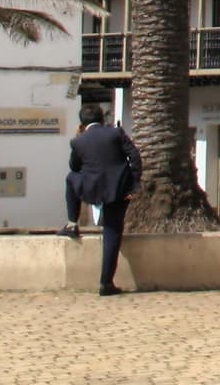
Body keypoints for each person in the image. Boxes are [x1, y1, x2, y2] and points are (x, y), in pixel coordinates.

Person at [62, 103, 142, 296]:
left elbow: (74, 167)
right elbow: (135, 157)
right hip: (119, 190)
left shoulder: (78, 141)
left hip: (92, 189)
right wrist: (134, 184)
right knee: (112, 231)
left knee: (70, 178)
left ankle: (72, 223)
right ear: (103, 119)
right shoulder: (116, 133)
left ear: (82, 123)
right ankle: (106, 283)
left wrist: (80, 139)